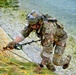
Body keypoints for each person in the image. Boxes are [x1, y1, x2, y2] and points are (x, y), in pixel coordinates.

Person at [6, 10, 71, 73]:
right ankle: (52, 70)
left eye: (33, 25)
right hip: (50, 37)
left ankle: (67, 60)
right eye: (30, 24)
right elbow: (24, 33)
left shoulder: (48, 30)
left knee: (56, 61)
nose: (31, 26)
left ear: (39, 22)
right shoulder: (32, 22)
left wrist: (40, 66)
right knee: (43, 55)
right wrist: (14, 42)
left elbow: (47, 51)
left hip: (60, 38)